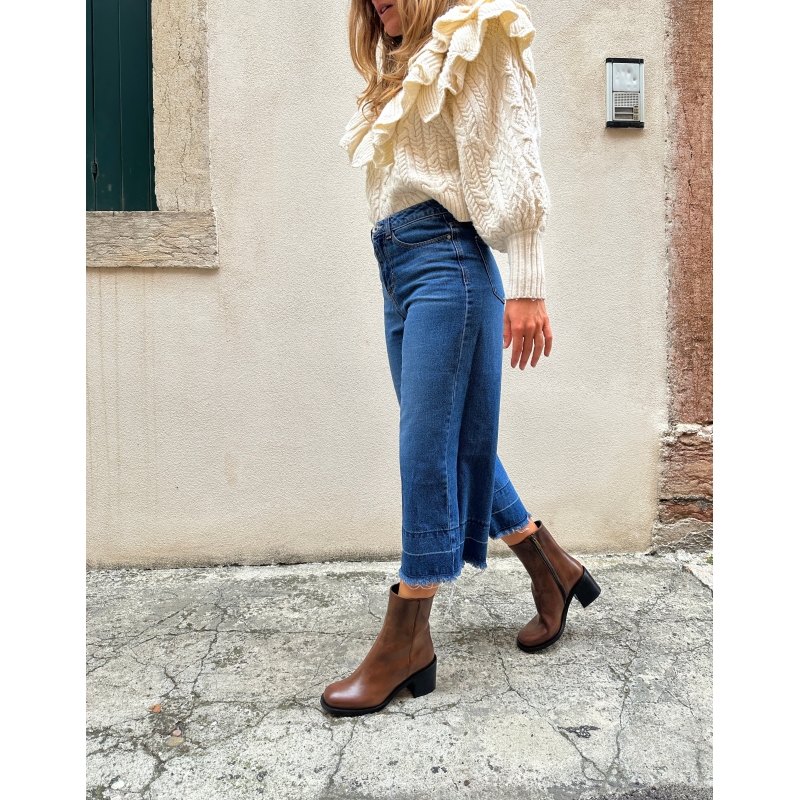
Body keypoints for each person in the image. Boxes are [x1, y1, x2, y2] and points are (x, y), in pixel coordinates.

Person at [321, 0, 600, 717]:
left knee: (425, 450)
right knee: (455, 441)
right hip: (401, 268)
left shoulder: (477, 33)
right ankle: (552, 568)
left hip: (449, 265)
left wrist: (529, 286)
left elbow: (512, 150)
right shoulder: (404, 58)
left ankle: (407, 638)